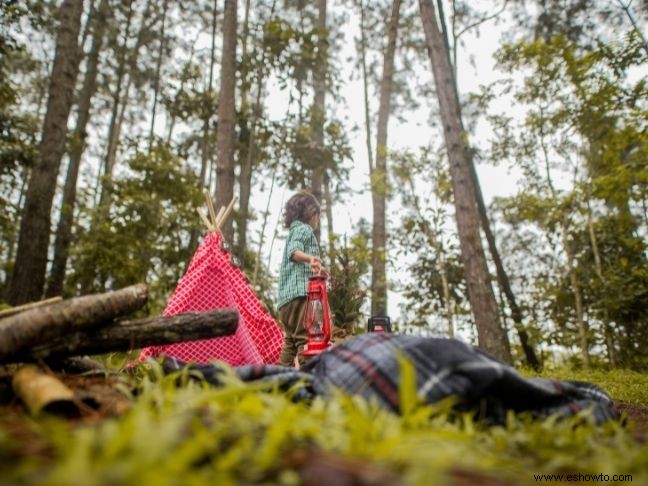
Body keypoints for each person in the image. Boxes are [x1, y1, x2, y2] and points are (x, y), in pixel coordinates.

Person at [277, 190, 323, 367]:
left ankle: (278, 377)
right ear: (312, 214)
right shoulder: (304, 230)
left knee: (290, 342)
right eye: (318, 216)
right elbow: (294, 253)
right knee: (305, 338)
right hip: (300, 297)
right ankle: (306, 376)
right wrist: (310, 258)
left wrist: (319, 269)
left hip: (285, 302)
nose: (317, 221)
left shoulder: (292, 232)